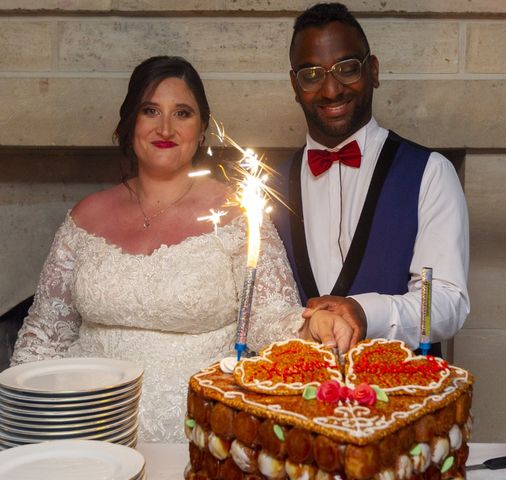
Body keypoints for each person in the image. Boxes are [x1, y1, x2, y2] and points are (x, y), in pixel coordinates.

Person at [10, 56, 346, 443]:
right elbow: (41, 340)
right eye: (150, 111)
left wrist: (311, 326)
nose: (165, 128)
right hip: (87, 428)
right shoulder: (84, 217)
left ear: (202, 129)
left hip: (200, 428)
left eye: (182, 113)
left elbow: (269, 318)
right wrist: (32, 428)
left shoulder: (239, 213)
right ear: (129, 123)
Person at [273, 3, 470, 354]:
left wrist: (369, 313)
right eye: (312, 74)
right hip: (292, 396)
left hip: (402, 396)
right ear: (294, 84)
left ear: (373, 70)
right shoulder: (267, 187)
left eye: (347, 69)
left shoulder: (430, 172)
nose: (332, 90)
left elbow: (448, 302)